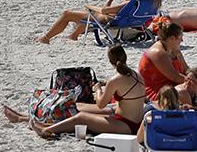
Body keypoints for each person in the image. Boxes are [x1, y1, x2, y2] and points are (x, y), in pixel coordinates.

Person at [11, 45, 148, 138]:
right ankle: (27, 118)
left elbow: (100, 103)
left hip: (126, 126)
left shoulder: (115, 80)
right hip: (132, 119)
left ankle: (45, 130)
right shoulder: (136, 74)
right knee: (76, 106)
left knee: (81, 117)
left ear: (110, 61)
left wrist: (98, 89)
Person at [38, 0, 157, 43]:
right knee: (88, 16)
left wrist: (91, 6)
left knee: (68, 14)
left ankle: (46, 38)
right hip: (129, 22)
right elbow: (133, 5)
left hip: (111, 21)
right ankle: (73, 35)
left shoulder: (129, 3)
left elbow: (104, 10)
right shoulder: (148, 2)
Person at [138, 22, 188, 100]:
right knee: (184, 92)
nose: (182, 40)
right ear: (172, 38)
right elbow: (175, 77)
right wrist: (196, 82)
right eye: (180, 37)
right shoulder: (158, 53)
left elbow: (186, 69)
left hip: (170, 85)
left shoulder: (174, 49)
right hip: (156, 91)